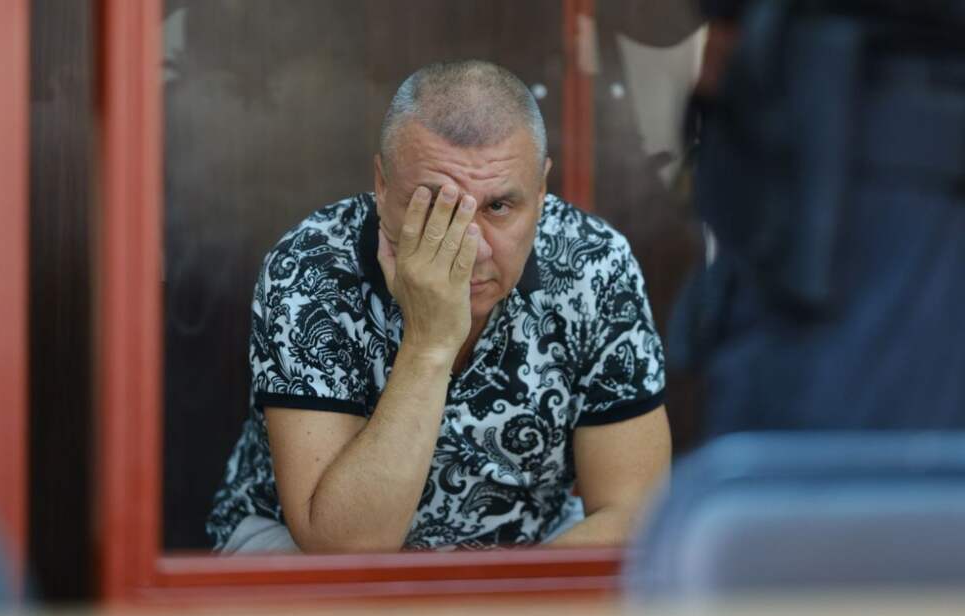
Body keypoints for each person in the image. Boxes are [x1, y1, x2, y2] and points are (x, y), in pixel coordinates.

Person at [206, 60, 670, 553]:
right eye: (434, 206)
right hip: (298, 545)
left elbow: (634, 512)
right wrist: (429, 344)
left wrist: (507, 591)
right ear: (382, 186)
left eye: (498, 207)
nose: (471, 249)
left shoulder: (593, 263)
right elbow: (343, 547)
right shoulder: (310, 268)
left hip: (531, 547)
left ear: (541, 191)